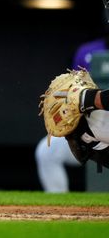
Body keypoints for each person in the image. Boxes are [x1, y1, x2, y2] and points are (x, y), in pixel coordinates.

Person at [36, 34, 108, 193]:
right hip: (96, 122)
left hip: (99, 122)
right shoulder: (87, 51)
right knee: (46, 150)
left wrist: (86, 98)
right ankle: (58, 207)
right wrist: (82, 98)